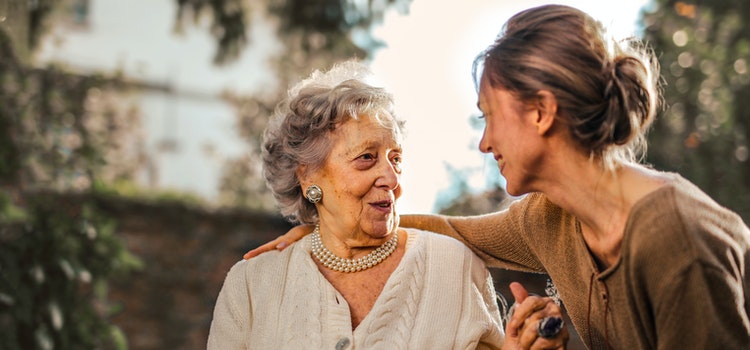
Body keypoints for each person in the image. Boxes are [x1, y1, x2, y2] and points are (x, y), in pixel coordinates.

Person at [244, 4, 750, 349]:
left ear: (541, 113)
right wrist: (329, 225)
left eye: (489, 115)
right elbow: (448, 230)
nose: (484, 142)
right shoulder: (550, 218)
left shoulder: (676, 240)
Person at [208, 61, 566, 349]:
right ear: (308, 177)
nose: (391, 179)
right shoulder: (253, 285)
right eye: (366, 158)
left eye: (395, 158)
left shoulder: (452, 267)